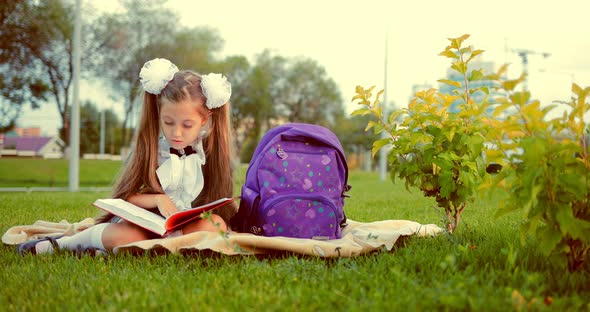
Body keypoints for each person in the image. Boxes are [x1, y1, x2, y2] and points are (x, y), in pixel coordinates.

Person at [18, 58, 237, 254]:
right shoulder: (153, 148)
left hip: (180, 228)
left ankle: (130, 250)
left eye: (187, 125)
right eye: (168, 122)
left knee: (214, 224)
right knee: (128, 237)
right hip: (144, 225)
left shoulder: (205, 155)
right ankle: (63, 244)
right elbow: (127, 195)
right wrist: (158, 200)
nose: (176, 132)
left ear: (205, 120)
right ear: (158, 114)